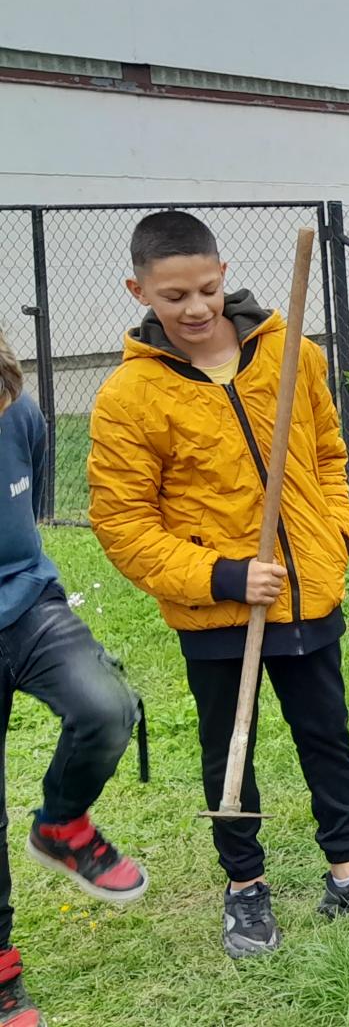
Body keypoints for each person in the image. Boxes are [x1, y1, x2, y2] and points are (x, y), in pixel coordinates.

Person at [90, 211, 349, 962]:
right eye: (174, 296)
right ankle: (245, 887)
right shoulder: (130, 395)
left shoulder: (290, 352)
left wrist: (334, 535)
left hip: (307, 594)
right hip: (217, 612)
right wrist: (224, 576)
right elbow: (124, 523)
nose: (196, 308)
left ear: (223, 275)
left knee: (326, 735)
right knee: (229, 748)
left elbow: (330, 453)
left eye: (207, 289)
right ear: (140, 291)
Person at [0, 330, 146, 1026]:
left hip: (28, 603)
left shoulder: (21, 411)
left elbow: (25, 512)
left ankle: (62, 826)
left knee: (106, 707)